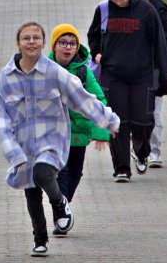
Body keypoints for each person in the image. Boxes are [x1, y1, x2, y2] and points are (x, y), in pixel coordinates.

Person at [0, 22, 120, 257]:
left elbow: (83, 99)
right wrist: (11, 150)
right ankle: (40, 239)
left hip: (52, 141)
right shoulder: (6, 77)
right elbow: (0, 117)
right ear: (18, 43)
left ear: (43, 43)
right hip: (22, 145)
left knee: (42, 172)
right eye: (26, 38)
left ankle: (60, 203)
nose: (31, 42)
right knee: (31, 191)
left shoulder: (55, 73)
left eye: (36, 38)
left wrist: (109, 121)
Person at [88, 0, 167, 182]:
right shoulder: (105, 10)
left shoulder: (146, 11)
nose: (119, 2)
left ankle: (142, 152)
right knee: (118, 122)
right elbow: (93, 35)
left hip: (142, 76)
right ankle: (121, 168)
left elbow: (159, 45)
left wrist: (163, 80)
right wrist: (97, 51)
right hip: (113, 76)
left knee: (143, 120)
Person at [47, 23, 111, 236]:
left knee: (75, 174)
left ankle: (63, 206)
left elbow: (98, 99)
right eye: (63, 43)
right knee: (61, 174)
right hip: (54, 134)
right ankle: (62, 216)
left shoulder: (83, 71)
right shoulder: (44, 69)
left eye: (72, 43)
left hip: (79, 132)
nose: (68, 47)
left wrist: (101, 131)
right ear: (55, 46)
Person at [128, 0, 167, 168]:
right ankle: (143, 149)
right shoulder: (130, 6)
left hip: (154, 69)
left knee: (153, 111)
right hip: (136, 68)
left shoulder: (156, 8)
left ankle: (153, 151)